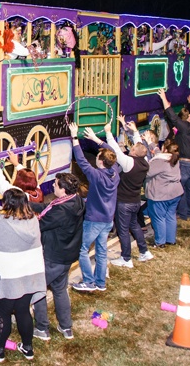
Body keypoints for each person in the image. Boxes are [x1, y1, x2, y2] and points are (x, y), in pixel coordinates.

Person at [0, 189, 46, 362]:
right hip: (29, 276)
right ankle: (28, 348)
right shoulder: (32, 220)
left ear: (6, 204)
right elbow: (12, 219)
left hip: (8, 277)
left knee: (3, 313)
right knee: (23, 312)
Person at [84, 119, 152, 268]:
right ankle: (144, 251)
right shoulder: (145, 161)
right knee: (134, 226)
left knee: (123, 230)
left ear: (134, 152)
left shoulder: (129, 163)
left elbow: (114, 150)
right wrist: (135, 132)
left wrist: (107, 133)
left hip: (124, 202)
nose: (131, 149)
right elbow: (140, 146)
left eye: (132, 149)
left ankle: (126, 258)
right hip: (135, 201)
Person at [30, 173, 85, 341]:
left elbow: (38, 225)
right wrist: (26, 203)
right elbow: (48, 207)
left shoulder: (60, 211)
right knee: (60, 290)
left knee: (38, 290)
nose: (53, 185)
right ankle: (66, 327)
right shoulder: (75, 200)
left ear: (63, 189)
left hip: (53, 257)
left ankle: (42, 328)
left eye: (55, 184)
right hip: (67, 255)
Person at [69, 123, 120, 292]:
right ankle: (100, 282)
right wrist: (96, 139)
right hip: (108, 219)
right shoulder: (115, 172)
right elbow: (112, 151)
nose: (96, 158)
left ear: (101, 162)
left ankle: (89, 282)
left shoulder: (97, 176)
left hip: (94, 220)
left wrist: (74, 137)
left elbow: (82, 161)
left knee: (82, 249)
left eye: (98, 156)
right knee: (101, 251)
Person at [158, 88, 190, 220]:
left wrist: (163, 98)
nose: (189, 116)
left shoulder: (188, 128)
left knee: (180, 188)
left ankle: (181, 213)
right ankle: (189, 213)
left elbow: (173, 117)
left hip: (185, 163)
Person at [145, 141, 183, 248]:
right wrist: (151, 143)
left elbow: (147, 173)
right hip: (175, 193)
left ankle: (160, 242)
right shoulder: (174, 158)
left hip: (160, 195)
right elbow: (158, 153)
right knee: (170, 216)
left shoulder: (160, 161)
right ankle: (171, 240)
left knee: (158, 218)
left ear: (165, 150)